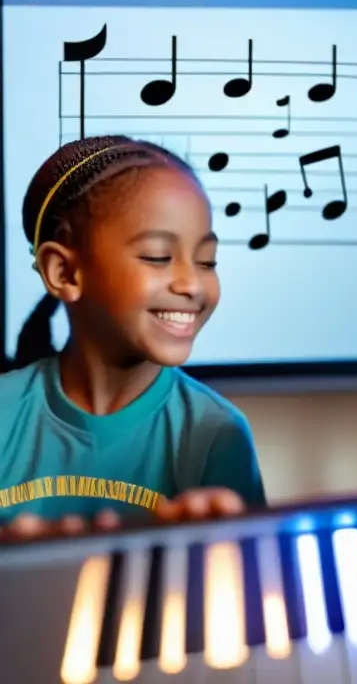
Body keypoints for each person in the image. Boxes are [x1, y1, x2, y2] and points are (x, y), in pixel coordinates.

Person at [0, 135, 266, 540]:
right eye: (158, 256)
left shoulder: (217, 435)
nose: (192, 284)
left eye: (206, 261)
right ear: (64, 273)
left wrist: (212, 551)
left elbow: (250, 587)